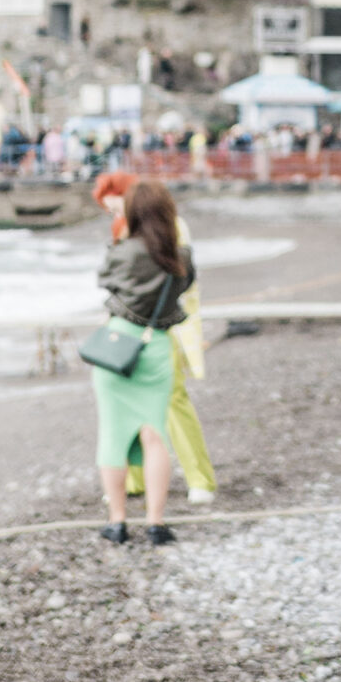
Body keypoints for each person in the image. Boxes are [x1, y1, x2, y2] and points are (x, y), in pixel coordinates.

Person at [93, 169, 216, 507]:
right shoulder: (132, 228)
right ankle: (135, 480)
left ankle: (198, 478)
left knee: (171, 404)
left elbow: (112, 278)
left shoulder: (165, 229)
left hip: (163, 330)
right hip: (153, 329)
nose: (113, 214)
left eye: (114, 206)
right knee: (139, 408)